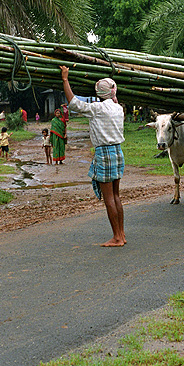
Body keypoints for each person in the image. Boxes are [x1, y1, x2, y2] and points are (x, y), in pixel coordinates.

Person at [60, 66, 127, 247]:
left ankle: (117, 238)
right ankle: (121, 234)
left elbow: (73, 103)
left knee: (109, 199)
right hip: (117, 152)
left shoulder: (97, 108)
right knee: (116, 195)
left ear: (99, 93)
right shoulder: (118, 108)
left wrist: (65, 79)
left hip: (104, 153)